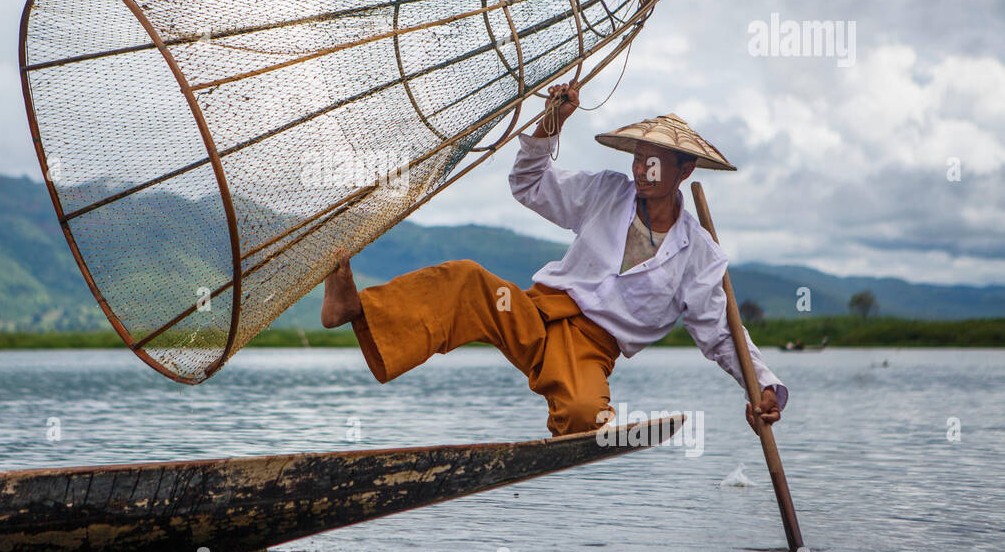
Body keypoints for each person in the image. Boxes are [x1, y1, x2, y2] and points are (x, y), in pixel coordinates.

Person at [320, 82, 787, 437]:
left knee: (588, 417)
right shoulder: (606, 191)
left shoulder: (699, 254)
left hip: (589, 349)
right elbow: (529, 184)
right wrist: (550, 125)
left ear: (684, 171)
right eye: (638, 158)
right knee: (463, 279)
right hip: (532, 312)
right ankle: (355, 307)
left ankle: (576, 420)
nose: (641, 170)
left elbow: (722, 333)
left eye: (655, 162)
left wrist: (760, 387)